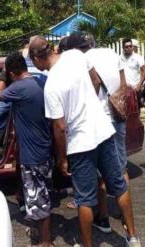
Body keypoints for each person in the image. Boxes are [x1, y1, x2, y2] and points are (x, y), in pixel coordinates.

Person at [29, 36, 140, 247]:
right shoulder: (76, 55)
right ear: (51, 48)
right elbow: (96, 81)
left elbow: (60, 127)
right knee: (119, 186)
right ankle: (133, 238)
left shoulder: (51, 85)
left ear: (36, 58)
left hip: (81, 143)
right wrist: (90, 104)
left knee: (85, 199)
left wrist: (62, 159)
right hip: (104, 131)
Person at [67, 32, 131, 233]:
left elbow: (85, 90)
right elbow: (123, 83)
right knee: (121, 168)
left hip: (98, 123)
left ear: (75, 48)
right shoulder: (111, 53)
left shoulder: (81, 61)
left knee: (98, 175)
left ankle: (102, 218)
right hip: (117, 115)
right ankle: (125, 216)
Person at [0, 52, 52, 247]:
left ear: (12, 72)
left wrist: (3, 75)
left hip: (32, 155)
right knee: (38, 194)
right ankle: (38, 233)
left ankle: (45, 242)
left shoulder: (18, 87)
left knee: (39, 198)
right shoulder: (40, 82)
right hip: (44, 148)